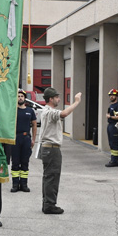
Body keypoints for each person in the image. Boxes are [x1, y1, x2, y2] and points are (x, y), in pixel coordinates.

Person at [39, 86, 82, 214]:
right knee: (52, 177)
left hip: (49, 148)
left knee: (49, 177)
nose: (59, 99)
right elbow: (64, 113)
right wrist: (76, 102)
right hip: (51, 149)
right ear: (50, 99)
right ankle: (49, 205)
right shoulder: (49, 111)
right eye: (57, 97)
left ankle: (47, 203)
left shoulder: (47, 111)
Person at [10, 89, 37, 193]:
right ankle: (15, 184)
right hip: (15, 139)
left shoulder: (30, 111)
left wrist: (33, 139)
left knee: (25, 162)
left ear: (25, 98)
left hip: (26, 138)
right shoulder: (12, 110)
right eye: (18, 96)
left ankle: (24, 184)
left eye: (22, 96)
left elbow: (34, 125)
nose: (20, 98)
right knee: (15, 162)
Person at [105, 88, 118, 167]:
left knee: (114, 143)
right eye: (110, 95)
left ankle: (115, 161)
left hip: (115, 125)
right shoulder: (111, 105)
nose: (111, 97)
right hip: (110, 125)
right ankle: (112, 159)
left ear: (116, 96)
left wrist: (110, 117)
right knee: (111, 143)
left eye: (113, 95)